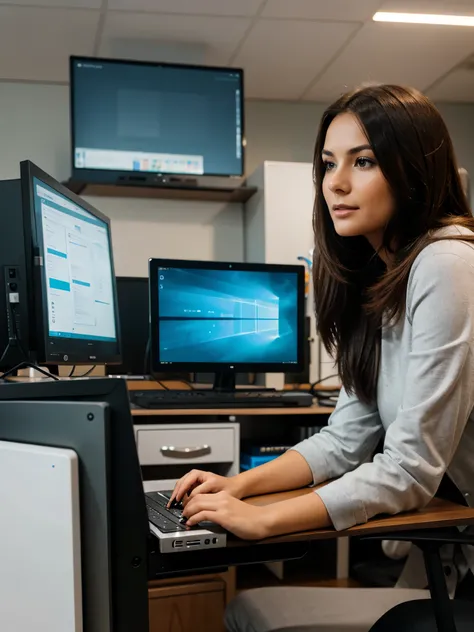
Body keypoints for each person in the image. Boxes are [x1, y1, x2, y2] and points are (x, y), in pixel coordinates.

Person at [169, 84, 474, 600]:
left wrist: (267, 522)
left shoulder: (448, 264)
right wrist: (238, 485)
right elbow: (344, 440)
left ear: (415, 170)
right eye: (329, 164)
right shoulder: (381, 276)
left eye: (365, 161)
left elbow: (408, 470)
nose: (337, 183)